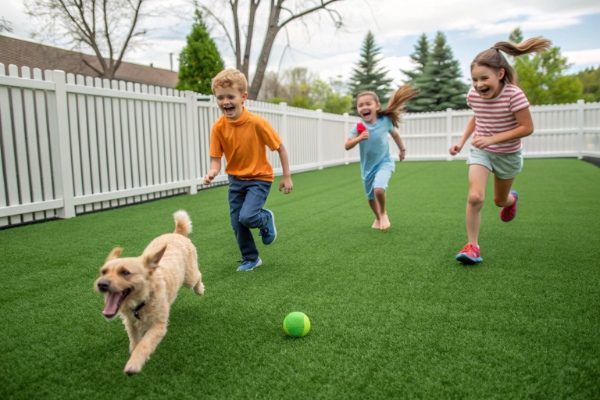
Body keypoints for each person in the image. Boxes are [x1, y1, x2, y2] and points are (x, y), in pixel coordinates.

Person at [449, 37, 551, 264]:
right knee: (475, 197)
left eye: (484, 78)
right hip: (481, 151)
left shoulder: (514, 95)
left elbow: (527, 127)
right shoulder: (473, 94)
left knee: (499, 200)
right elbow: (477, 116)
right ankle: (472, 246)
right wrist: (462, 141)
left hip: (508, 155)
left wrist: (492, 139)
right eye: (474, 79)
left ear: (500, 74)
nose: (478, 85)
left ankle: (510, 201)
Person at [203, 68, 293, 272]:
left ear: (243, 97)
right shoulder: (218, 128)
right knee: (237, 222)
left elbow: (280, 148)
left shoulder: (257, 123)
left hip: (259, 178)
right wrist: (212, 172)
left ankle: (265, 218)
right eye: (220, 97)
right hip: (235, 180)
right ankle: (251, 258)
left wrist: (286, 177)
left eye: (230, 97)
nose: (225, 102)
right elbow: (216, 160)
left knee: (248, 216)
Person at [345, 85, 417, 230]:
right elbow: (347, 145)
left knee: (379, 189)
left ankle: (383, 213)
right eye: (360, 105)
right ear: (358, 110)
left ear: (377, 106)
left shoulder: (385, 121)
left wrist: (402, 149)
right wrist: (359, 138)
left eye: (368, 104)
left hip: (385, 162)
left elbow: (395, 135)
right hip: (367, 168)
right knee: (371, 198)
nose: (364, 107)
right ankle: (377, 217)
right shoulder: (358, 127)